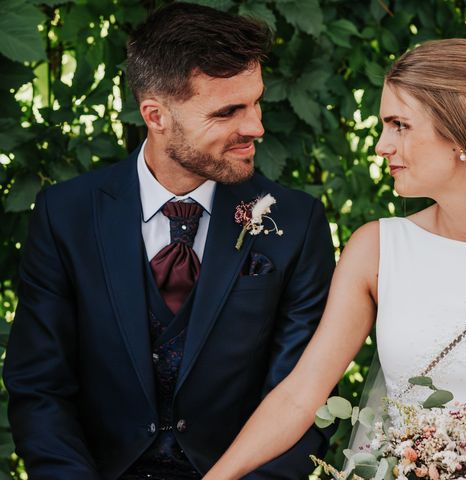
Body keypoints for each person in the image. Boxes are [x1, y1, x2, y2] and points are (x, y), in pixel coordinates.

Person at [203, 39, 466, 480]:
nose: (382, 146)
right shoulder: (375, 249)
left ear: (462, 130)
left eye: (399, 125)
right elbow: (300, 395)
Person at [3, 3, 335, 479]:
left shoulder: (296, 223)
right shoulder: (66, 215)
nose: (256, 127)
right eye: (228, 112)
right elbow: (39, 388)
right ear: (155, 115)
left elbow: (305, 396)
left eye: (256, 101)